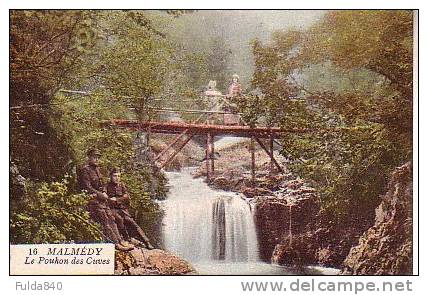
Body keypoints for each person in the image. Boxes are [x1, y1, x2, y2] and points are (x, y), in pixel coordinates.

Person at [78, 148, 134, 251]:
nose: (97, 159)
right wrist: (101, 195)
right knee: (105, 219)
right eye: (94, 157)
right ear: (89, 158)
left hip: (100, 200)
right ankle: (115, 244)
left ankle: (120, 240)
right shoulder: (85, 170)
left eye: (98, 157)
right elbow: (87, 187)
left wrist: (104, 191)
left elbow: (102, 184)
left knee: (111, 218)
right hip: (91, 200)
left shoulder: (97, 170)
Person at [105, 167, 155, 249]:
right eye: (115, 176)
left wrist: (117, 199)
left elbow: (127, 196)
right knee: (119, 219)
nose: (117, 178)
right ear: (110, 176)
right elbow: (106, 197)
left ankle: (147, 242)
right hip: (112, 209)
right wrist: (112, 199)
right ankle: (125, 239)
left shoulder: (121, 185)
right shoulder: (107, 186)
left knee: (132, 222)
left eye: (118, 176)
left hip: (122, 209)